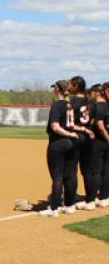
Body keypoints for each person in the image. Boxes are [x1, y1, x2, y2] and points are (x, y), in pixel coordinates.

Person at [39, 80, 78, 217]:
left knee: (57, 177)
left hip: (58, 143)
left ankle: (54, 208)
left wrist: (68, 133)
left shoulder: (57, 105)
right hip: (71, 143)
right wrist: (72, 134)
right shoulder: (70, 105)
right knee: (70, 175)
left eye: (54, 88)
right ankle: (69, 205)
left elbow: (55, 127)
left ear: (57, 89)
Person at [67, 76, 95, 211]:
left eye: (70, 85)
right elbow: (93, 120)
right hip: (89, 137)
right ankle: (90, 200)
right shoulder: (90, 101)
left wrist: (81, 128)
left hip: (76, 137)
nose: (68, 87)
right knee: (87, 170)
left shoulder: (71, 102)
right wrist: (88, 129)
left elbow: (70, 124)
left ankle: (71, 200)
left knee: (72, 171)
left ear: (76, 86)